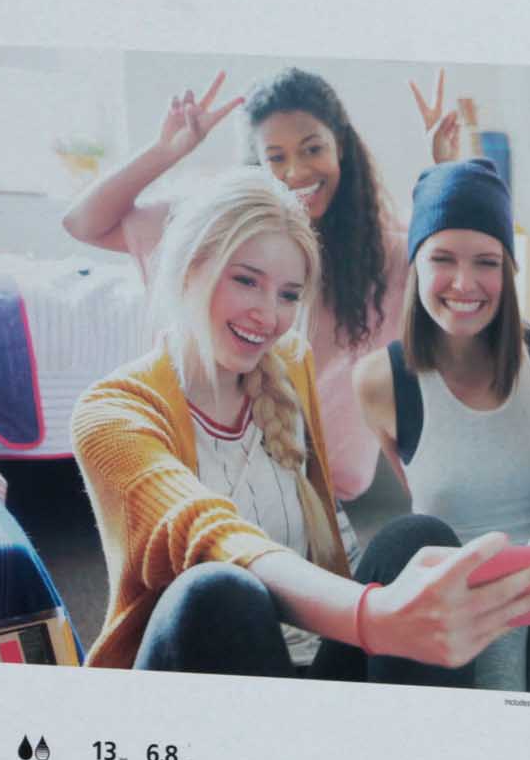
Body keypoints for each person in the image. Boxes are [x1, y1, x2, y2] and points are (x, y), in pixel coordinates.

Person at [72, 171, 530, 682]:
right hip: (205, 672)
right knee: (218, 590)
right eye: (246, 280)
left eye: (288, 295)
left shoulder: (289, 364)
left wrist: (391, 608)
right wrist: (372, 616)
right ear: (191, 267)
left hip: (311, 662)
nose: (268, 315)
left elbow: (326, 519)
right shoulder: (113, 413)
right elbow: (208, 532)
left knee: (418, 539)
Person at [62, 67, 408, 500]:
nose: (296, 171)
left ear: (340, 144)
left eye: (312, 149)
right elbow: (83, 222)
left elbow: (453, 260)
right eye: (276, 157)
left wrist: (448, 166)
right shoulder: (227, 227)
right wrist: (166, 151)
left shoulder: (385, 251)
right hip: (217, 466)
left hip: (320, 476)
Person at [354, 157, 530, 695]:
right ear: (415, 264)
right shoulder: (380, 382)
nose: (464, 283)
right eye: (442, 259)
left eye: (486, 262)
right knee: (489, 586)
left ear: (508, 270)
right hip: (462, 619)